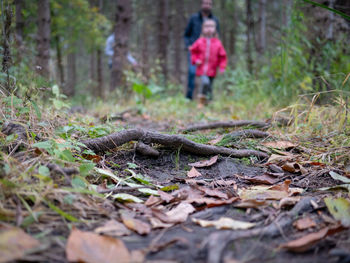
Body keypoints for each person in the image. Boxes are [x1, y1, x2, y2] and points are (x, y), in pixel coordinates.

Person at [184, 0, 219, 100]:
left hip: (208, 54)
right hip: (195, 52)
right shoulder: (194, 18)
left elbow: (217, 36)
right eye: (205, 3)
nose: (207, 5)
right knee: (192, 73)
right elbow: (186, 34)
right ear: (201, 4)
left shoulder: (215, 19)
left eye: (209, 4)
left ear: (211, 6)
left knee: (209, 77)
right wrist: (188, 46)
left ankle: (207, 98)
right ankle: (189, 97)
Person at [190, 18, 227, 107]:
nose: (209, 29)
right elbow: (193, 51)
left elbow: (222, 56)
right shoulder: (199, 41)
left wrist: (222, 67)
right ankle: (201, 101)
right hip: (202, 69)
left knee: (209, 86)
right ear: (203, 29)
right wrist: (196, 60)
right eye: (206, 26)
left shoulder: (217, 43)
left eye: (211, 26)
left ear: (215, 29)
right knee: (205, 82)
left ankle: (209, 102)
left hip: (212, 70)